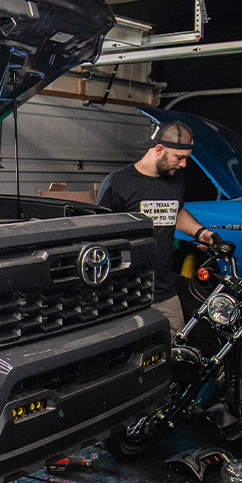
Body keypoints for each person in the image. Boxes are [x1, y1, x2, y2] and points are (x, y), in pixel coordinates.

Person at [96, 120, 219, 332]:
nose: (183, 165)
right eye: (179, 158)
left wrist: (202, 233)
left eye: (186, 158)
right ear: (159, 150)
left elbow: (175, 211)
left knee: (174, 346)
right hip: (126, 292)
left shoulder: (176, 179)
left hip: (164, 289)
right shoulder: (118, 182)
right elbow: (98, 234)